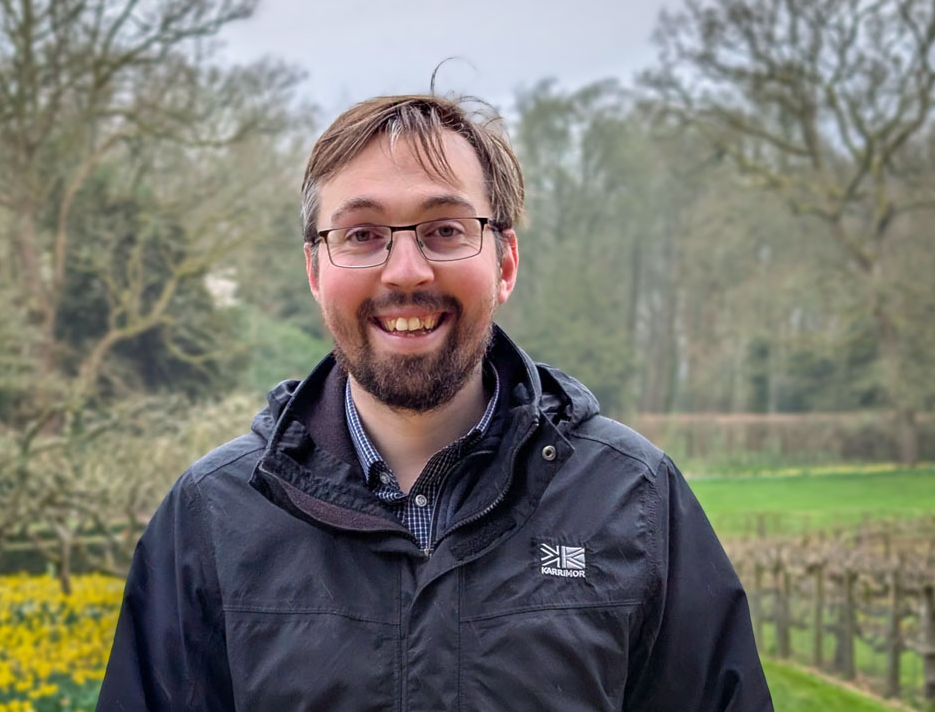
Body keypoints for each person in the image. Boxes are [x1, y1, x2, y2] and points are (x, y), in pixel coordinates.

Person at [97, 94, 773, 711]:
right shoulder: (212, 517)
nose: (406, 271)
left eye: (445, 230)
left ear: (505, 261)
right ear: (314, 270)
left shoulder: (634, 500)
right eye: (361, 235)